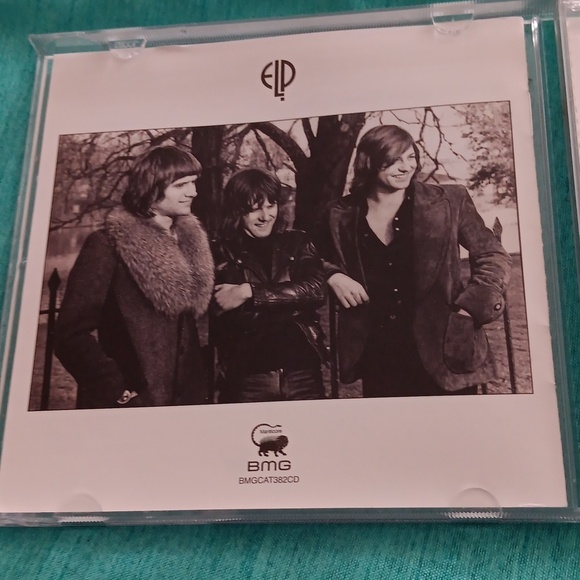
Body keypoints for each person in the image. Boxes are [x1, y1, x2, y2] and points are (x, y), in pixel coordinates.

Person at [316, 125, 511, 397]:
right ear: (368, 162)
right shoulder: (340, 214)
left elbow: (492, 254)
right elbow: (309, 258)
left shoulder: (450, 201)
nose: (406, 167)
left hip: (445, 348)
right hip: (379, 355)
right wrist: (333, 276)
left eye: (411, 157)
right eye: (394, 160)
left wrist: (470, 308)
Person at [54, 145, 215, 409]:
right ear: (151, 187)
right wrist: (118, 390)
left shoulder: (189, 241)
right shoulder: (107, 244)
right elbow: (69, 335)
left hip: (185, 405)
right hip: (132, 404)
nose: (193, 192)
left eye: (193, 182)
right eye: (181, 185)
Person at [211, 168, 327, 403]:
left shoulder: (297, 242)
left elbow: (316, 290)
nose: (265, 216)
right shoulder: (221, 252)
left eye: (271, 205)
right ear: (236, 210)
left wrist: (249, 291)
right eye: (254, 208)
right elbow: (228, 309)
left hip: (304, 374)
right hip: (248, 378)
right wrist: (292, 296)